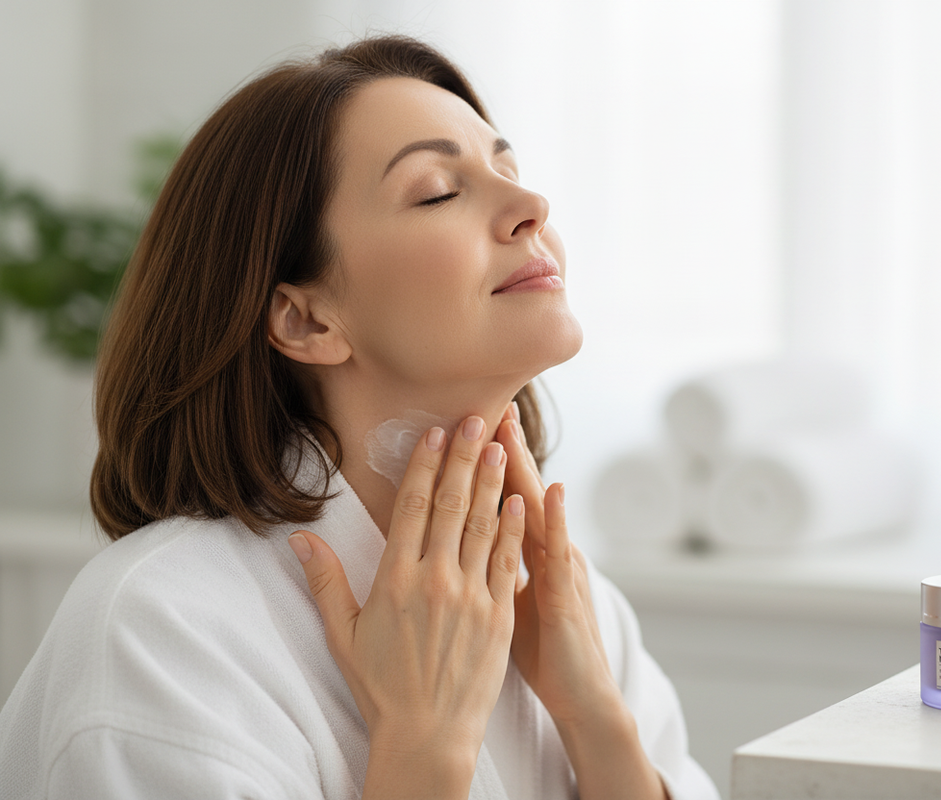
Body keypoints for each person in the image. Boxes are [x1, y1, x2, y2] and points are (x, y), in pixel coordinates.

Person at [0, 35, 719, 800]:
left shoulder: (568, 606)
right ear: (306, 321)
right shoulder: (161, 632)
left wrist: (597, 722)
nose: (532, 207)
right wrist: (422, 750)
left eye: (509, 172)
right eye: (440, 190)